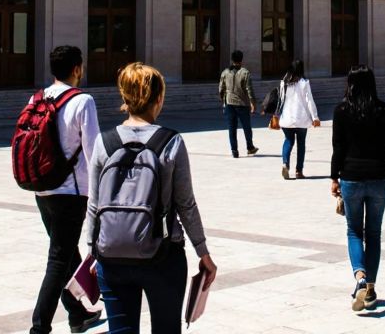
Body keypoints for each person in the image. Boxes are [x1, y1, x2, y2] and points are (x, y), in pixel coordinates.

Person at [87, 62, 217, 334]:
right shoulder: (171, 142)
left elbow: (94, 205)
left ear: (124, 98)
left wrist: (92, 252)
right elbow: (186, 204)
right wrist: (202, 252)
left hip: (112, 256)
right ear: (158, 99)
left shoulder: (104, 142)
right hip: (164, 255)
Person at [30, 45, 103, 334]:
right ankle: (40, 327)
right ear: (77, 68)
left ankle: (77, 314)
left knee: (66, 253)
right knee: (59, 260)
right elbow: (94, 152)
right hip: (70, 193)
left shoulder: (38, 97)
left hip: (42, 190)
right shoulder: (83, 101)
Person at [330, 65, 385, 312]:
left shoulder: (342, 111)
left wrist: (333, 178)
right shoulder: (383, 110)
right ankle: (370, 289)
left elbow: (338, 148)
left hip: (351, 177)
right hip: (379, 178)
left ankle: (360, 277)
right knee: (373, 233)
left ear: (349, 84)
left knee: (354, 231)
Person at [276, 59, 320, 180]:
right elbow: (309, 100)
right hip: (301, 118)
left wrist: (276, 114)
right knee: (301, 144)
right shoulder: (304, 82)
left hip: (287, 118)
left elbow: (280, 100)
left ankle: (285, 163)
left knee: (288, 141)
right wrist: (315, 117)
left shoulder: (283, 82)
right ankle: (298, 171)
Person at [218, 49, 258, 158]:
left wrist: (223, 101)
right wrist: (253, 103)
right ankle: (250, 147)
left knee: (232, 128)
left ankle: (234, 150)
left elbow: (221, 89)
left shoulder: (225, 72)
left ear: (232, 59)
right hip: (242, 104)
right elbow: (249, 90)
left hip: (229, 103)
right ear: (241, 60)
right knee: (246, 127)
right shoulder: (245, 72)